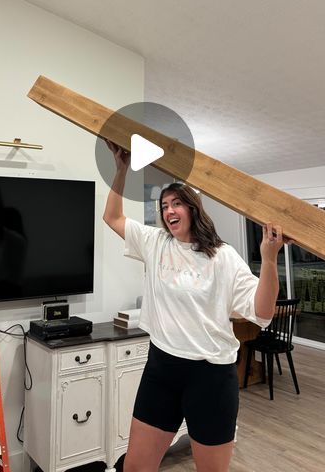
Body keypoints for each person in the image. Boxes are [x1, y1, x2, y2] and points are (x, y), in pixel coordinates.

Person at [103, 141, 289, 472]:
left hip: (211, 377)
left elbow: (262, 314)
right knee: (134, 468)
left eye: (177, 204)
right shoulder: (155, 242)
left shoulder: (223, 257)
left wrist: (270, 259)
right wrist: (121, 170)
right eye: (164, 206)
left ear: (194, 208)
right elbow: (112, 216)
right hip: (162, 369)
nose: (169, 211)